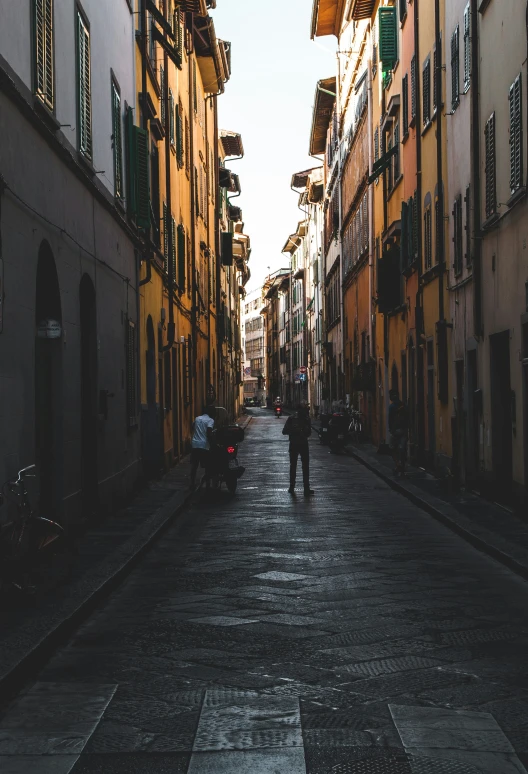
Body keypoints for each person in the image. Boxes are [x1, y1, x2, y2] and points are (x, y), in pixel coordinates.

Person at [282, 405, 314, 496]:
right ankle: (306, 488)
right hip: (303, 444)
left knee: (293, 466)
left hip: (294, 444)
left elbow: (284, 431)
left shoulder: (291, 418)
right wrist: (301, 433)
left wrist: (293, 432)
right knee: (305, 466)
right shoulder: (306, 419)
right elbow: (309, 433)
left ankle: (292, 487)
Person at [190, 405, 216, 489]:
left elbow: (192, 426)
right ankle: (208, 484)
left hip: (195, 444)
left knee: (194, 465)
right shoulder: (210, 420)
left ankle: (192, 484)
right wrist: (212, 444)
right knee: (208, 465)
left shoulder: (197, 418)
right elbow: (209, 432)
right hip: (204, 445)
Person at [388, 389, 409, 475]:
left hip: (395, 430)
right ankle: (402, 466)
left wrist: (391, 429)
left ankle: (398, 464)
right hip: (404, 430)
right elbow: (408, 417)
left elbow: (390, 419)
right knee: (402, 448)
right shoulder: (404, 405)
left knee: (392, 447)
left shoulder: (391, 406)